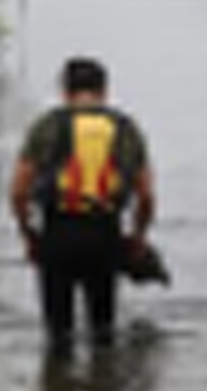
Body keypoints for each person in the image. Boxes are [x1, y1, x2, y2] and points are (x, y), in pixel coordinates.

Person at [10, 57, 156, 349]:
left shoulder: (47, 126)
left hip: (57, 232)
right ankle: (105, 376)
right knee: (103, 332)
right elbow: (146, 195)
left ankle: (56, 374)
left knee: (58, 336)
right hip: (104, 233)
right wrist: (138, 238)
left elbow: (18, 191)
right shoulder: (125, 128)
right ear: (104, 90)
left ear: (65, 90)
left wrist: (27, 234)